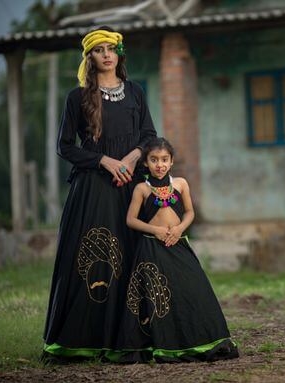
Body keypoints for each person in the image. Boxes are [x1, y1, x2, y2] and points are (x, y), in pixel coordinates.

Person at [42, 26, 156, 360]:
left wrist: (133, 159)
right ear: (89, 57)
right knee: (94, 261)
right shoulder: (76, 97)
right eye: (98, 49)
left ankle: (135, 338)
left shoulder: (135, 91)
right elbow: (64, 147)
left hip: (131, 187)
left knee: (136, 256)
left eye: (111, 49)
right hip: (93, 188)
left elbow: (149, 134)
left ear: (119, 54)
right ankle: (84, 340)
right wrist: (104, 160)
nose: (106, 54)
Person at [112, 137, 239, 363]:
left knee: (194, 288)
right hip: (152, 247)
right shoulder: (142, 189)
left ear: (171, 162)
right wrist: (155, 230)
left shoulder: (180, 184)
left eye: (164, 160)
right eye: (154, 160)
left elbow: (189, 212)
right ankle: (161, 344)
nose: (159, 164)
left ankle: (200, 338)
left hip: (177, 244)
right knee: (156, 297)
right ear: (145, 164)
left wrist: (179, 228)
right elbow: (130, 220)